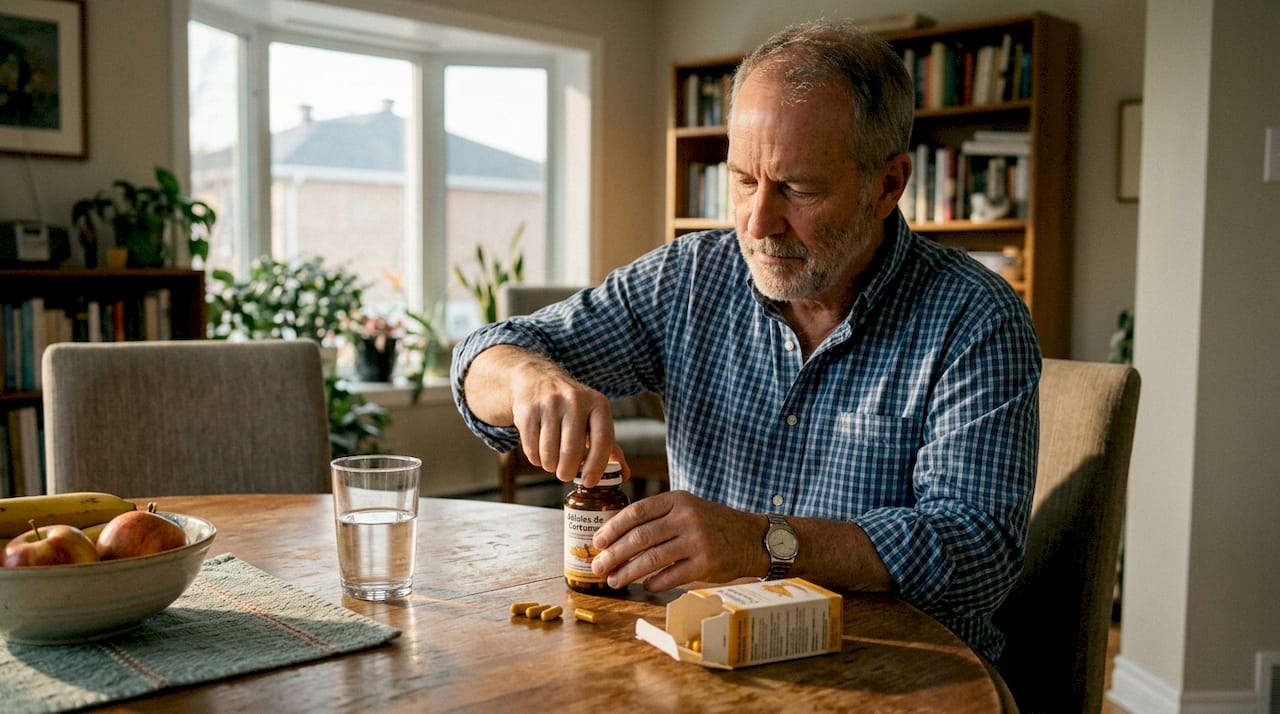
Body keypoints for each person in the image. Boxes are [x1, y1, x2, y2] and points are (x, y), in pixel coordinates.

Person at [451, 19, 1040, 664]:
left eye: (797, 188)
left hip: (897, 669)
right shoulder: (688, 277)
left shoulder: (975, 316)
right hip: (707, 660)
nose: (758, 223)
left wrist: (765, 541)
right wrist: (529, 379)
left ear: (887, 185)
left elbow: (978, 550)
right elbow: (486, 356)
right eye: (743, 180)